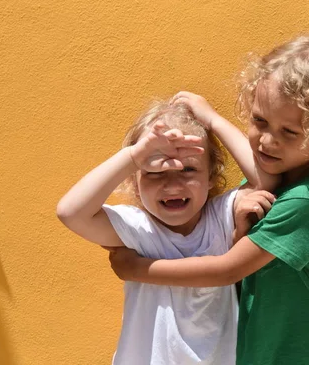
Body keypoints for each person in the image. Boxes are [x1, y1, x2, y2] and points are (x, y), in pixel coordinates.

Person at [108, 35, 309, 365]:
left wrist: (137, 268)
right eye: (259, 120)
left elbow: (226, 270)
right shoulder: (274, 182)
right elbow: (247, 245)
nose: (266, 141)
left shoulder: (307, 202)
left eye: (288, 132)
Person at [56, 100, 276, 365]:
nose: (173, 184)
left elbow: (267, 180)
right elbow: (71, 212)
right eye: (154, 170)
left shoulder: (221, 216)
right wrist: (133, 157)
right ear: (134, 183)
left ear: (211, 177)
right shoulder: (138, 228)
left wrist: (213, 120)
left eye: (188, 169)